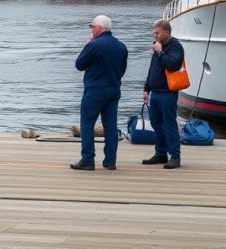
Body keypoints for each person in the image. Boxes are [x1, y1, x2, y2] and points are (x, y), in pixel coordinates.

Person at [70, 14, 128, 171]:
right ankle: (110, 161)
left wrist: (87, 44)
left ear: (98, 28)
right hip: (114, 89)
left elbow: (79, 64)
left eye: (92, 27)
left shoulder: (94, 45)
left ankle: (88, 160)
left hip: (95, 90)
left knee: (87, 124)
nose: (91, 30)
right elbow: (122, 70)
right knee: (110, 126)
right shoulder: (121, 46)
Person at [142, 19, 186, 169]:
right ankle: (161, 153)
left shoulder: (175, 46)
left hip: (168, 93)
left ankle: (175, 155)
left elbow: (173, 65)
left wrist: (160, 51)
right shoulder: (157, 46)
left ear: (166, 32)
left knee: (169, 124)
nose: (155, 35)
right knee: (156, 123)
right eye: (154, 33)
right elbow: (153, 68)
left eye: (157, 33)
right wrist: (146, 88)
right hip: (156, 92)